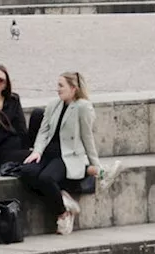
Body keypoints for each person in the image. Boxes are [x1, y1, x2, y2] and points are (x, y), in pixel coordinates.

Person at [19, 72, 106, 236]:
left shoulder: (83, 107)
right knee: (26, 172)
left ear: (73, 88)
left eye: (61, 85)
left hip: (67, 155)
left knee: (46, 178)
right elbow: (43, 131)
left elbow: (88, 137)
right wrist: (37, 151)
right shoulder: (53, 105)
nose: (57, 89)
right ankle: (63, 200)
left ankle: (63, 214)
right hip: (47, 152)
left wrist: (95, 163)